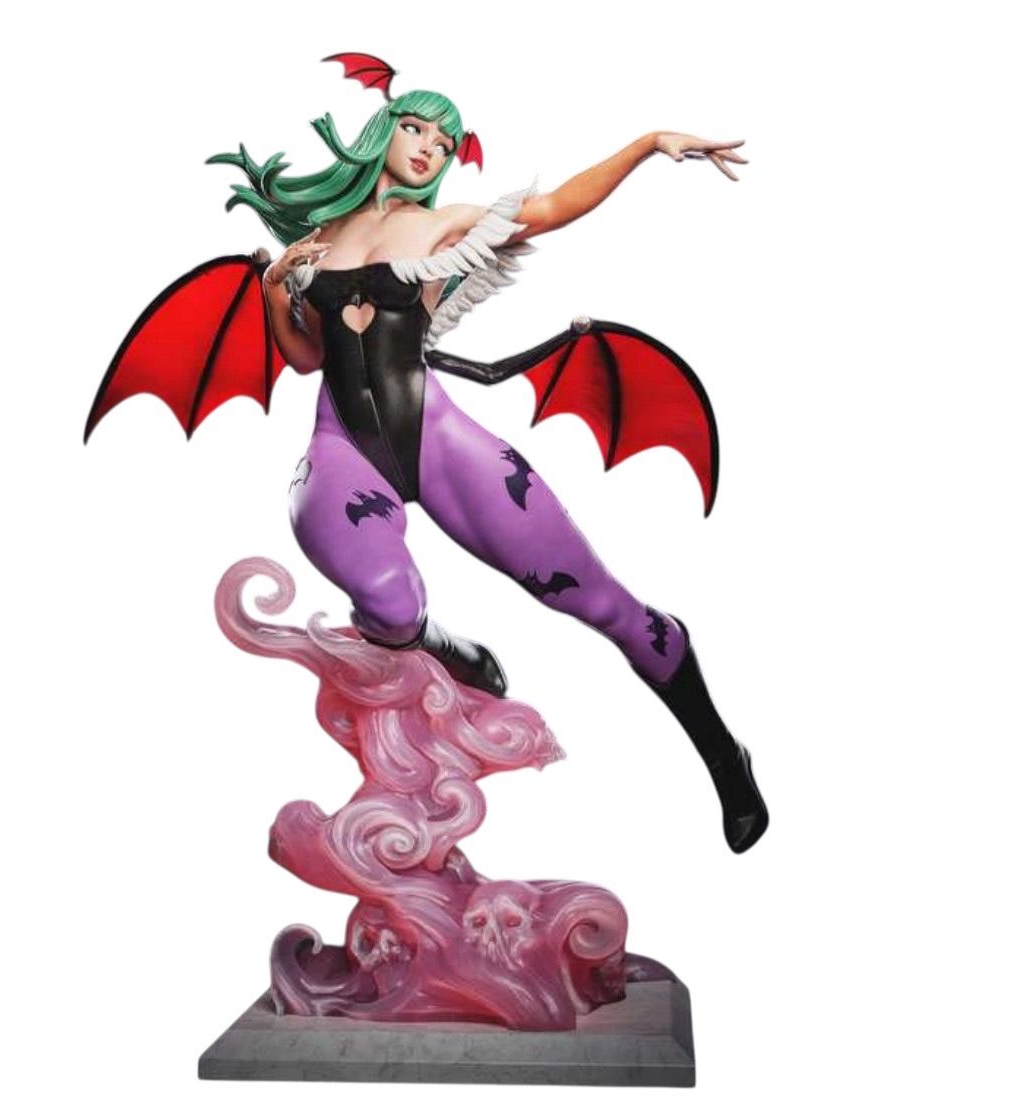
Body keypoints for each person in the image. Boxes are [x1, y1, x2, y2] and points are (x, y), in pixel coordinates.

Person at [209, 86, 768, 853]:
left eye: (443, 144)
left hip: (439, 442)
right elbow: (307, 357)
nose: (427, 149)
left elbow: (556, 206)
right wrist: (276, 290)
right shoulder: (319, 238)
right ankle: (439, 643)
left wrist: (646, 144)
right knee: (388, 602)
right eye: (415, 129)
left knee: (604, 603)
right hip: (343, 453)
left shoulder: (447, 225)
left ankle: (723, 753)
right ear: (383, 131)